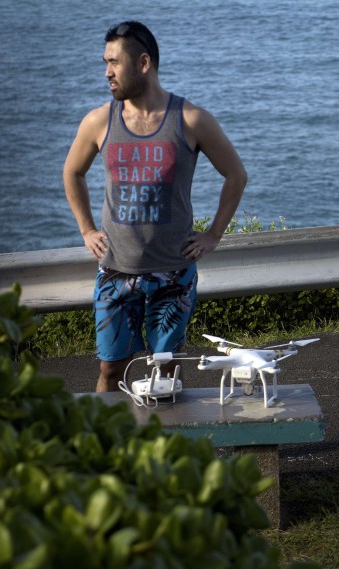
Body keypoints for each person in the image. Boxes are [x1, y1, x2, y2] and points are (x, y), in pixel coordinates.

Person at [63, 21, 247, 392]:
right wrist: (86, 229)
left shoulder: (190, 119)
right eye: (105, 61)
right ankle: (106, 449)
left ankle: (161, 450)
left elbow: (235, 175)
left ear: (143, 63)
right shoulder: (100, 121)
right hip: (116, 271)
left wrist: (213, 235)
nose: (107, 71)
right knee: (110, 373)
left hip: (172, 275)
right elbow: (72, 172)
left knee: (166, 375)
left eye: (114, 62)